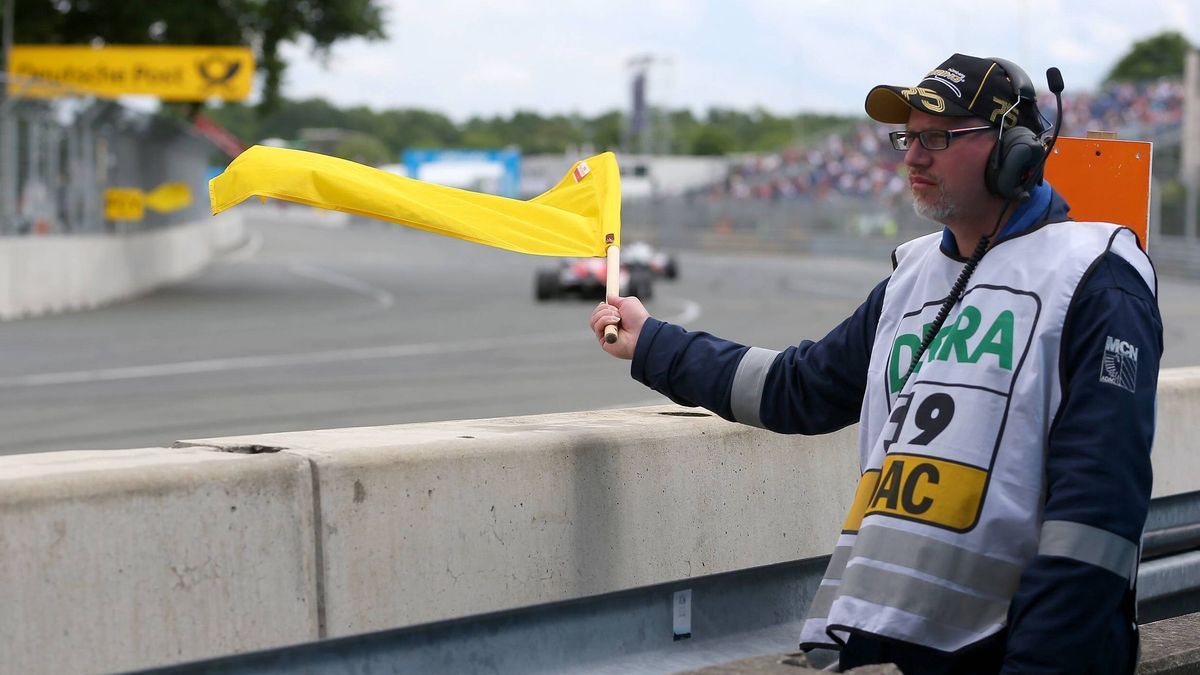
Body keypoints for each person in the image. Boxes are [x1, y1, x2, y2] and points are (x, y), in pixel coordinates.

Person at [589, 53, 1163, 674]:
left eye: (938, 137)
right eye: (907, 137)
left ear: (1015, 150)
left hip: (1009, 655)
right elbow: (797, 389)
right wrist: (654, 344)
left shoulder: (1096, 277)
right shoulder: (911, 277)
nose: (913, 157)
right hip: (889, 652)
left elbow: (1095, 517)